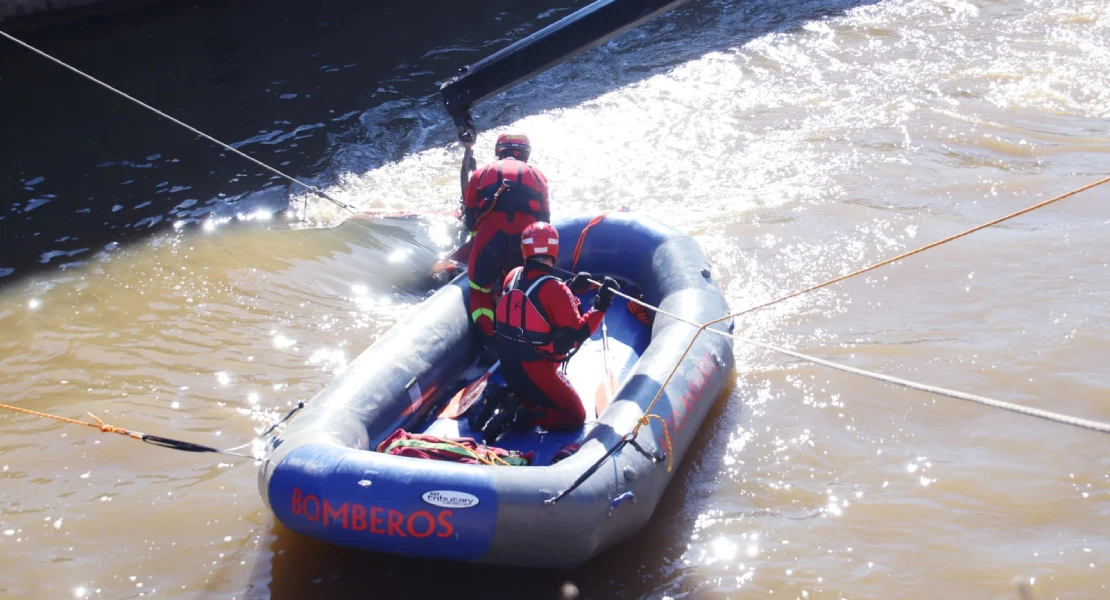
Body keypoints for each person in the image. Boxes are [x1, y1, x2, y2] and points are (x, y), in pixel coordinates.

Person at [480, 221, 618, 438]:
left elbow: (535, 309)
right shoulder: (555, 289)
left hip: (509, 365)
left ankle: (504, 394)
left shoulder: (513, 275)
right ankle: (519, 414)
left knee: (535, 391)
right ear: (554, 250)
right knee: (574, 416)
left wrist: (571, 288)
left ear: (525, 249)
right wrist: (602, 304)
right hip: (537, 368)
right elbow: (576, 335)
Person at [462, 133, 550, 348]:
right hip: (524, 244)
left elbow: (470, 220)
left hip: (490, 241)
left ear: (499, 151)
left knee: (479, 291)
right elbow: (545, 221)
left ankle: (490, 344)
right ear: (526, 154)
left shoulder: (480, 175)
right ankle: (524, 338)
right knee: (525, 288)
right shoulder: (538, 176)